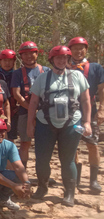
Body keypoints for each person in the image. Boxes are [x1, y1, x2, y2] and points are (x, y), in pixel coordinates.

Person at [28, 46, 92, 207]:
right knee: (42, 160)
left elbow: (85, 101)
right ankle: (42, 187)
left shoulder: (77, 76)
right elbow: (33, 102)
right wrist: (30, 124)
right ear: (52, 60)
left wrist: (87, 122)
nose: (62, 60)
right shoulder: (42, 78)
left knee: (68, 159)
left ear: (68, 59)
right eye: (58, 58)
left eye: (65, 58)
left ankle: (69, 192)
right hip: (45, 123)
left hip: (71, 124)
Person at [68, 37, 103, 194]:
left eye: (81, 48)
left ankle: (93, 180)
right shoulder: (66, 67)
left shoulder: (95, 68)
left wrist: (102, 110)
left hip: (91, 112)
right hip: (71, 114)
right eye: (75, 48)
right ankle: (75, 178)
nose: (78, 51)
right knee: (72, 145)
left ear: (86, 50)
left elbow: (102, 90)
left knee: (92, 143)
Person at [10, 41, 50, 169]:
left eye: (31, 53)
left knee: (44, 143)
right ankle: (23, 172)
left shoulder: (46, 71)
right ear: (21, 56)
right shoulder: (17, 73)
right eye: (25, 54)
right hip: (25, 112)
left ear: (37, 54)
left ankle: (44, 171)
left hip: (46, 113)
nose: (28, 56)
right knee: (25, 142)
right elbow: (16, 94)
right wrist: (31, 109)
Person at [0, 49, 19, 142]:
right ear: (0, 62)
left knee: (10, 137)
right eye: (5, 60)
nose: (7, 63)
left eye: (10, 60)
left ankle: (9, 155)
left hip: (14, 110)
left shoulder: (18, 75)